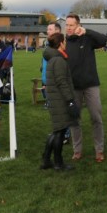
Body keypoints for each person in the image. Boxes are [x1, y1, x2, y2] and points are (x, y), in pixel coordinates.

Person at [64, 13, 107, 162]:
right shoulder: (64, 42)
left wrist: (87, 31)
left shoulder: (87, 38)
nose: (68, 28)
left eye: (71, 25)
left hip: (91, 85)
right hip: (73, 87)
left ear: (78, 25)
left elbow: (104, 40)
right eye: (67, 25)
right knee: (74, 120)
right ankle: (77, 151)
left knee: (96, 117)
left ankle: (99, 150)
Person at [40, 33, 79, 172]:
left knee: (57, 130)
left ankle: (46, 160)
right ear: (61, 43)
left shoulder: (53, 58)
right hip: (60, 100)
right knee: (60, 132)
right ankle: (58, 163)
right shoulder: (58, 60)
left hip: (55, 99)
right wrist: (70, 101)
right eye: (64, 42)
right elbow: (62, 82)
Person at [41, 22, 62, 102]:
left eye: (50, 29)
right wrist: (44, 83)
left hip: (57, 85)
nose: (47, 31)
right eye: (47, 29)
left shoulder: (62, 47)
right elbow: (44, 66)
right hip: (48, 83)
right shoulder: (48, 46)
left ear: (57, 31)